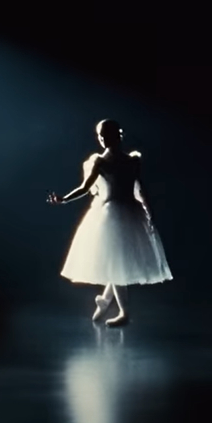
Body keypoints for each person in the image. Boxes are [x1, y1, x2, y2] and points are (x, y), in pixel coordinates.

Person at [47, 119, 173, 326]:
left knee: (118, 261)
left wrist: (149, 212)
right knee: (116, 261)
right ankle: (114, 306)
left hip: (130, 211)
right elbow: (85, 188)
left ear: (117, 136)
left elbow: (139, 188)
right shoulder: (100, 162)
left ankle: (116, 308)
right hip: (111, 214)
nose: (102, 139)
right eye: (100, 136)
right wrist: (64, 199)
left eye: (106, 135)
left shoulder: (132, 161)